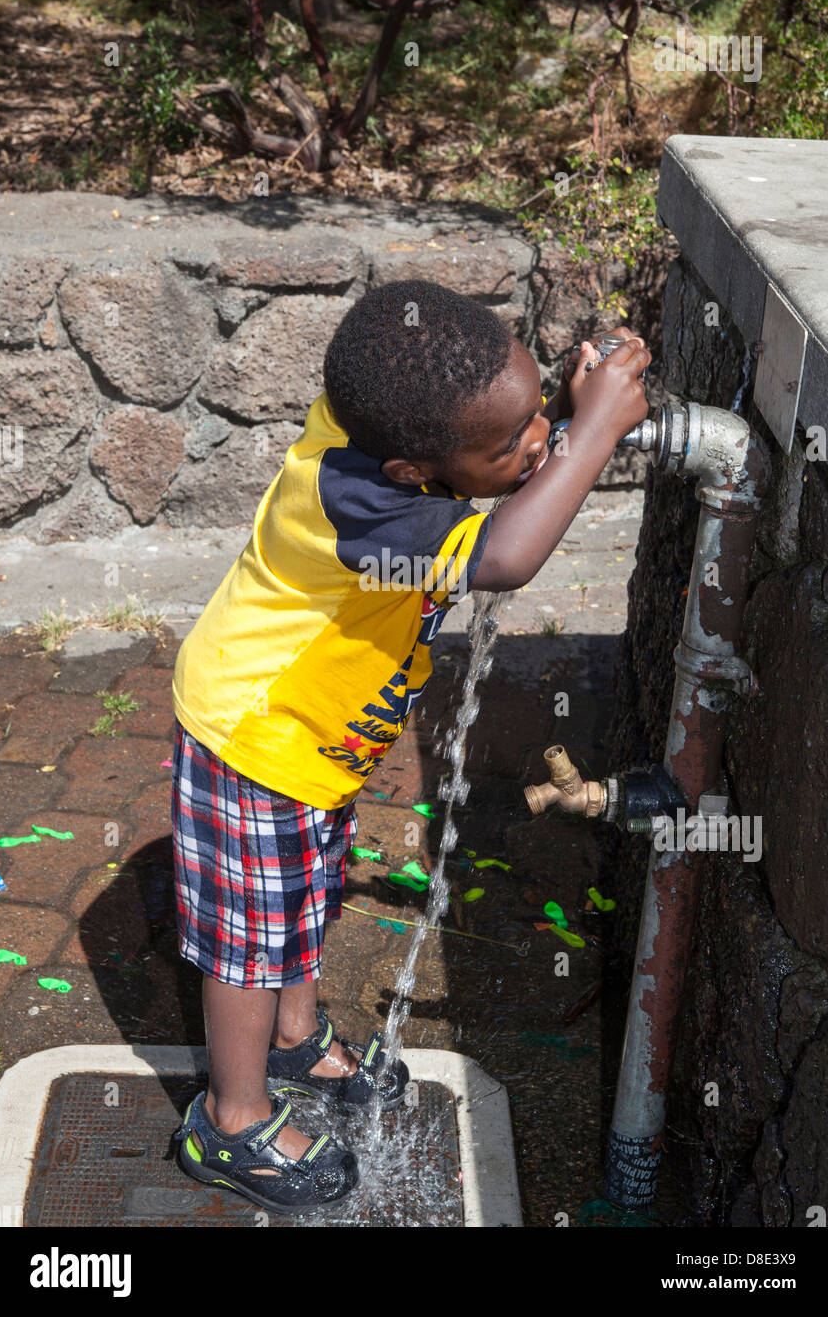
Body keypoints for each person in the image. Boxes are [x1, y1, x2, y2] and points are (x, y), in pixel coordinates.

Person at [170, 279, 650, 1213]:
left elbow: (468, 430)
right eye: (509, 445)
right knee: (250, 944)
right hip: (252, 738)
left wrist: (553, 417)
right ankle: (229, 1121)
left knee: (304, 898)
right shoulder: (358, 501)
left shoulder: (402, 436)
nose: (537, 445)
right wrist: (594, 436)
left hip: (315, 744)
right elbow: (506, 557)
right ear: (411, 469)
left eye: (536, 422)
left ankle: (295, 1037)